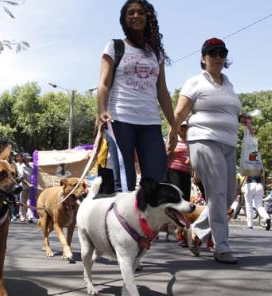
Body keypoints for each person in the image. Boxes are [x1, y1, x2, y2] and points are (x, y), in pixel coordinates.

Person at [169, 37, 247, 264]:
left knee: (229, 194)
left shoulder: (229, 84)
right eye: (212, 53)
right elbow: (180, 113)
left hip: (229, 143)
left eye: (221, 53)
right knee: (218, 194)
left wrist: (242, 119)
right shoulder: (195, 82)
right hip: (203, 140)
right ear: (203, 58)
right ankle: (221, 247)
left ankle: (196, 231)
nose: (217, 57)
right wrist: (172, 137)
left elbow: (228, 112)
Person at [96, 0, 176, 192]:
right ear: (124, 20)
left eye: (140, 12)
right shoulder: (115, 46)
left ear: (148, 17)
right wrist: (102, 111)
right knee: (125, 181)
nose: (135, 16)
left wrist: (173, 125)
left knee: (155, 181)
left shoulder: (156, 54)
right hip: (120, 120)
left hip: (150, 123)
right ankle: (124, 222)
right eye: (130, 13)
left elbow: (163, 92)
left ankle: (148, 222)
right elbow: (103, 84)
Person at [165, 121, 191, 201]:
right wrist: (169, 150)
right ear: (178, 129)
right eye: (181, 127)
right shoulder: (173, 140)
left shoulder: (191, 141)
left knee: (186, 197)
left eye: (185, 127)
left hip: (186, 172)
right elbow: (166, 154)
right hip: (174, 170)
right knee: (177, 196)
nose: (183, 129)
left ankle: (183, 213)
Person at [19, 152, 35, 223]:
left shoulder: (31, 165)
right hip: (23, 187)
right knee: (22, 202)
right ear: (24, 159)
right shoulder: (21, 167)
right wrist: (28, 184)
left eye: (29, 159)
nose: (29, 160)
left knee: (29, 201)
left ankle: (30, 216)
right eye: (27, 159)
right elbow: (21, 178)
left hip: (30, 187)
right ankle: (22, 216)